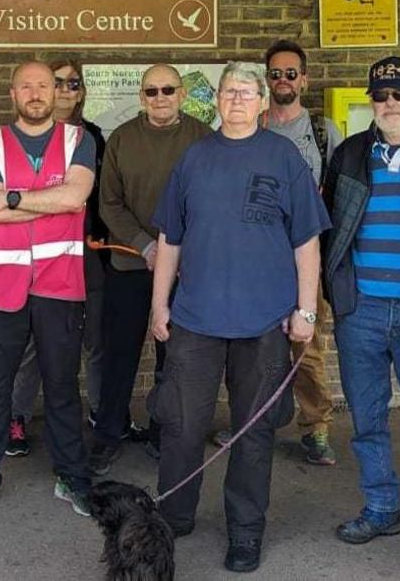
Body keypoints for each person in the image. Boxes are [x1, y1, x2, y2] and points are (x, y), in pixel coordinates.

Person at [150, 62, 330, 574]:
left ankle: (246, 532)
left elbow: (306, 241)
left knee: (254, 433)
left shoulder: (284, 157)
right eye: (229, 91)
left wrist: (307, 308)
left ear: (261, 101)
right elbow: (170, 239)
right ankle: (175, 513)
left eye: (246, 92)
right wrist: (159, 304)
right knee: (182, 424)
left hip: (264, 322)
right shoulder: (193, 159)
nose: (236, 100)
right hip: (195, 319)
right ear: (217, 100)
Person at [0, 61, 97, 522]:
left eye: (44, 86)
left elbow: (74, 199)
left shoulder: (80, 140)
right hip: (2, 286)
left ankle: (73, 475)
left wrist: (14, 197)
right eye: (26, 86)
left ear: (58, 93)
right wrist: (46, 201)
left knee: (62, 386)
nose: (35, 93)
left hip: (59, 283)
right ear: (13, 94)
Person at [321, 55, 400, 569]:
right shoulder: (350, 154)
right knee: (367, 418)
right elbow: (331, 226)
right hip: (363, 310)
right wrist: (339, 294)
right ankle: (380, 507)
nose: (390, 104)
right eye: (381, 96)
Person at [87, 64, 211, 475]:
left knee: (172, 357)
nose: (161, 98)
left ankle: (164, 433)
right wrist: (146, 247)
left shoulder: (202, 139)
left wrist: (175, 252)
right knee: (119, 355)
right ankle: (108, 434)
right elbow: (110, 204)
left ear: (181, 94)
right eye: (152, 91)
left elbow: (212, 204)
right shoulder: (121, 140)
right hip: (129, 264)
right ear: (142, 97)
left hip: (185, 271)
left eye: (168, 90)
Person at [7, 58, 107, 457]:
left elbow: (94, 197)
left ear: (81, 92)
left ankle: (100, 412)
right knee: (34, 339)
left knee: (95, 338)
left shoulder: (94, 138)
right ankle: (16, 414)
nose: (66, 89)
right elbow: (14, 199)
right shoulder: (19, 139)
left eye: (73, 83)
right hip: (38, 253)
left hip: (87, 250)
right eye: (58, 82)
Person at [255, 39, 339, 466]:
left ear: (303, 79)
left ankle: (315, 427)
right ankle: (252, 424)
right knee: (254, 348)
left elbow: (341, 199)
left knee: (307, 348)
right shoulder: (252, 126)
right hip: (259, 258)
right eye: (275, 73)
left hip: (308, 258)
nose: (283, 80)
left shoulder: (325, 134)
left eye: (291, 73)